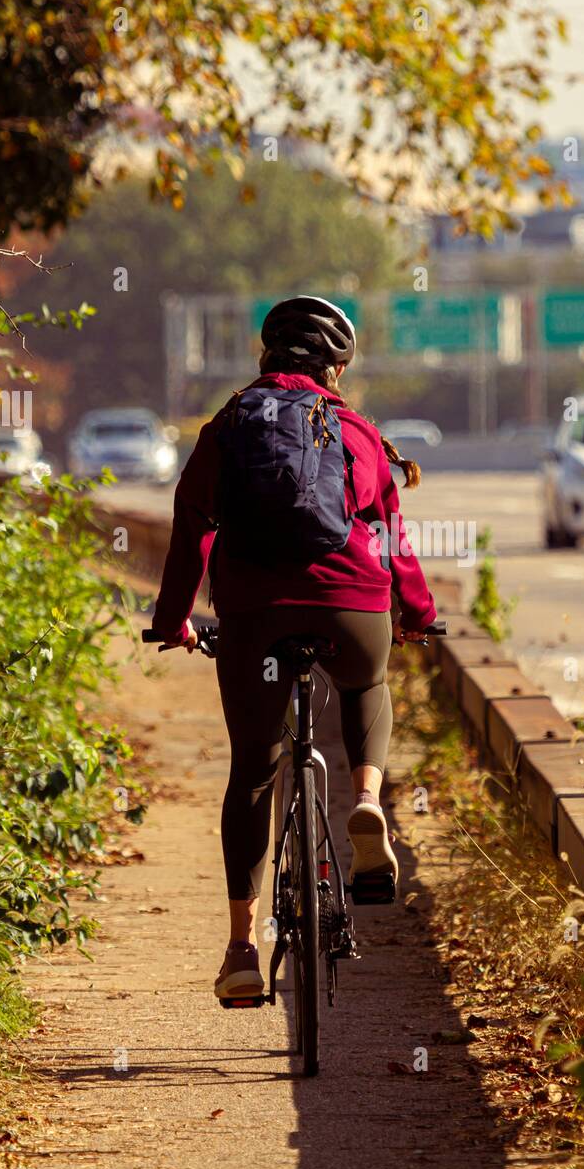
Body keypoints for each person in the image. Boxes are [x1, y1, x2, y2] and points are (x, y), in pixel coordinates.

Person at [150, 295, 437, 1000]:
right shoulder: (358, 431)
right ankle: (366, 800)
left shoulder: (229, 426)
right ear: (336, 370)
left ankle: (242, 950)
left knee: (252, 770)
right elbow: (390, 535)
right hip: (350, 602)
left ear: (264, 359)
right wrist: (417, 614)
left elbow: (192, 527)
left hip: (253, 609)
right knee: (368, 686)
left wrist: (174, 620)